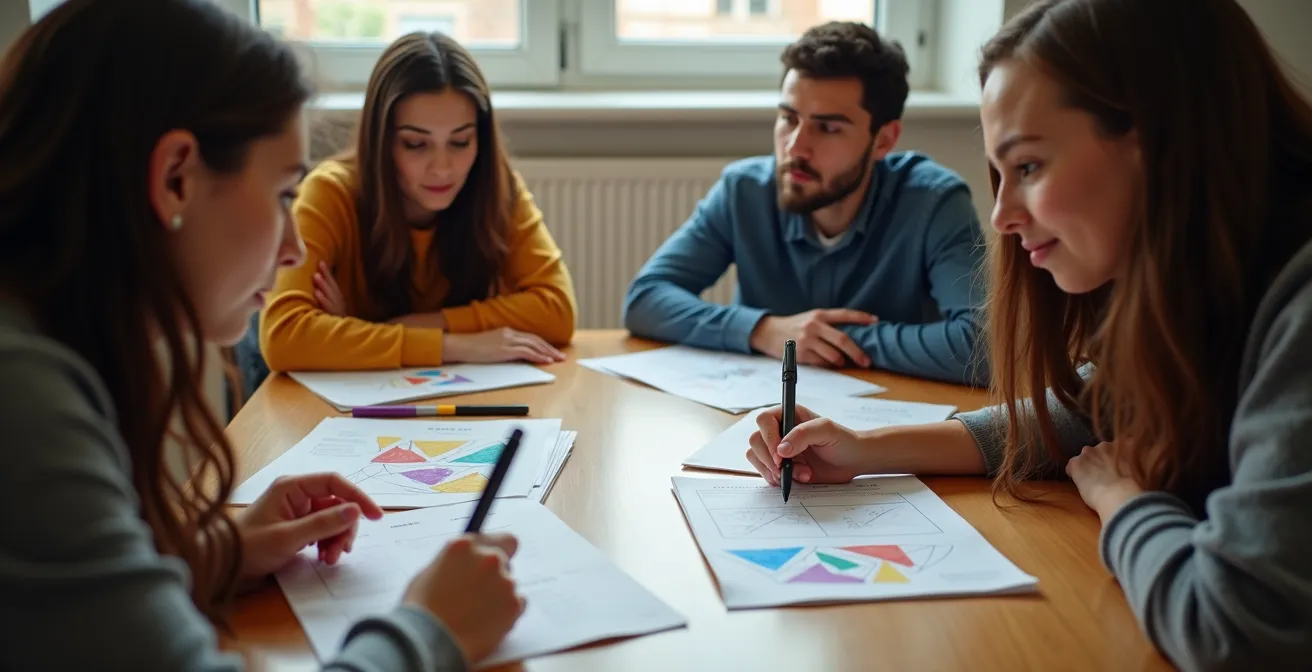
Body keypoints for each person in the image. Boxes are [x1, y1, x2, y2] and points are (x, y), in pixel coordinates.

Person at [745, 0, 1312, 669]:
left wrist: (1126, 501)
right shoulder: (1213, 287)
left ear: (1160, 141)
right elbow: (1095, 407)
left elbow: (1234, 634)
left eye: (1030, 167)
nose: (1004, 215)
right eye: (999, 173)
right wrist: (863, 450)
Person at [0, 1, 524, 669]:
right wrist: (430, 630)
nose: (293, 247)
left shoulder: (41, 349)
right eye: (283, 194)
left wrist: (217, 552)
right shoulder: (24, 400)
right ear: (175, 178)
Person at [622, 21, 987, 386]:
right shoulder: (744, 191)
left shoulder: (934, 202)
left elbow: (983, 348)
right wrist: (764, 330)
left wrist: (829, 340)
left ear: (883, 140)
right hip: (759, 417)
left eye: (827, 127)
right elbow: (645, 299)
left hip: (891, 422)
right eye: (788, 118)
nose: (795, 147)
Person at [256, 31, 577, 375]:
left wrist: (413, 325)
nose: (442, 168)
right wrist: (451, 344)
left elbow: (557, 309)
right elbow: (283, 335)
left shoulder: (495, 187)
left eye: (460, 141)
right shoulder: (331, 192)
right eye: (415, 144)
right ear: (382, 142)